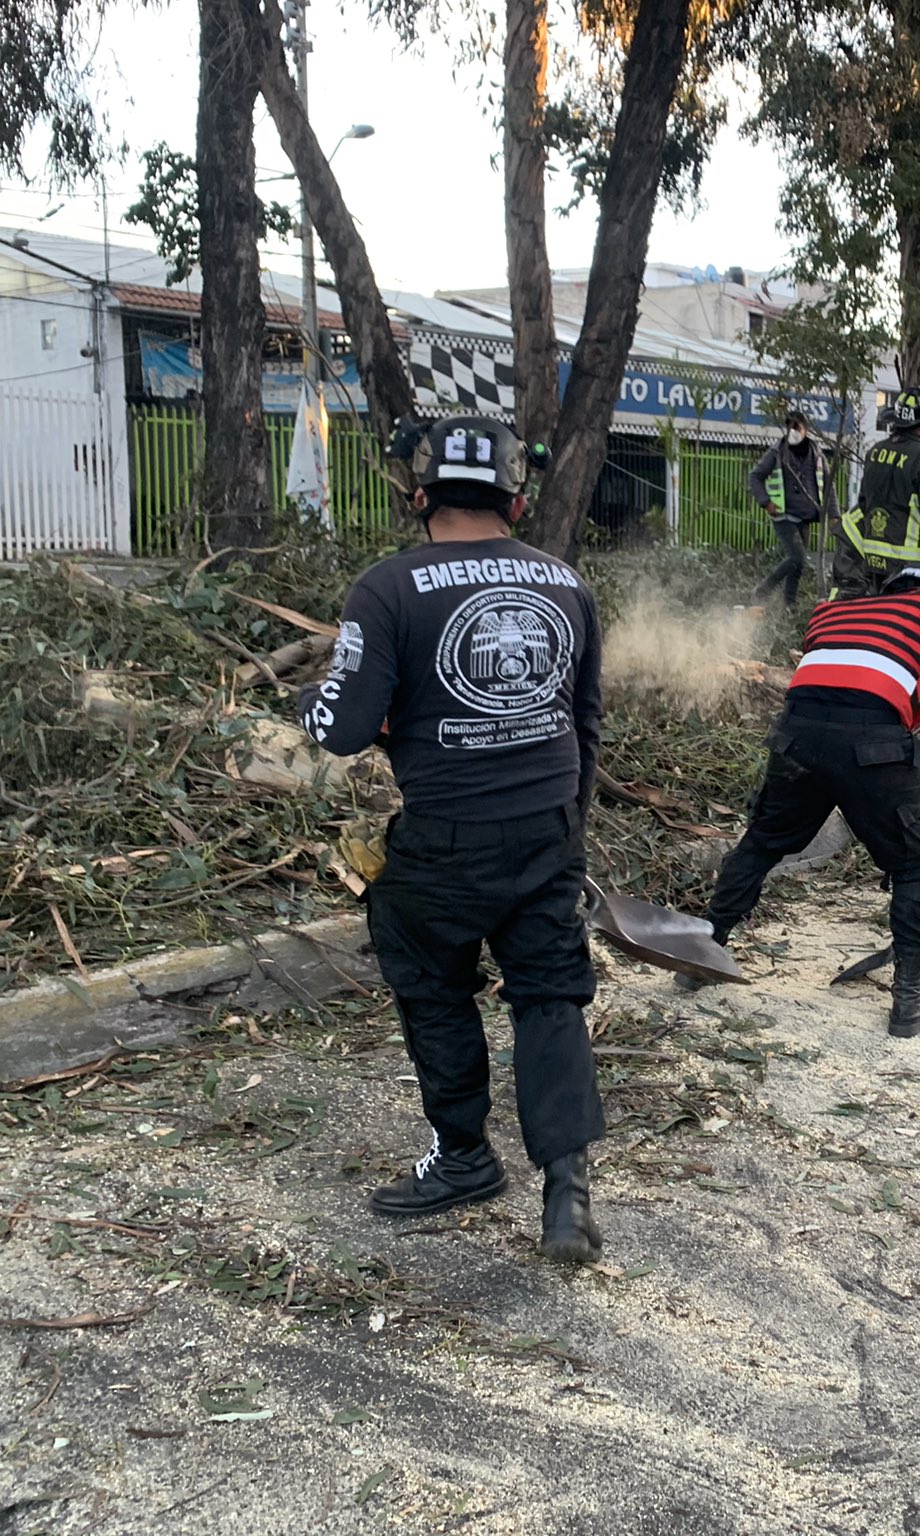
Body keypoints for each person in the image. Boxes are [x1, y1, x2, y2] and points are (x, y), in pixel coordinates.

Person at [295, 414, 607, 1265]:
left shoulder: (388, 588)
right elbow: (584, 722)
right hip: (548, 827)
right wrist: (566, 835)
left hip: (445, 836)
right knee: (550, 994)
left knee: (425, 971)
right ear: (516, 494)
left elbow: (345, 729)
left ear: (420, 492)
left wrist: (309, 703)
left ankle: (466, 1157)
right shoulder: (565, 584)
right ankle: (566, 1195)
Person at [680, 564, 920, 1035]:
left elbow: (835, 679)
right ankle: (909, 1001)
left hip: (796, 738)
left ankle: (699, 959)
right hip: (870, 744)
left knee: (762, 843)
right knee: (916, 858)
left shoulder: (835, 611)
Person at [830, 389, 920, 597]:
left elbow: (864, 503)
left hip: (874, 559)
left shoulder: (875, 452)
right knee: (906, 623)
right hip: (911, 566)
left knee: (881, 618)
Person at [746, 408, 836, 609]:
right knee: (797, 557)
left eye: (797, 427)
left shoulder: (817, 453)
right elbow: (755, 477)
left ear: (806, 430)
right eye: (789, 427)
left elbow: (829, 484)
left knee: (798, 566)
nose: (792, 431)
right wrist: (766, 502)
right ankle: (762, 590)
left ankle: (789, 607)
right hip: (783, 515)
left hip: (806, 516)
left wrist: (834, 515)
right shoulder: (777, 451)